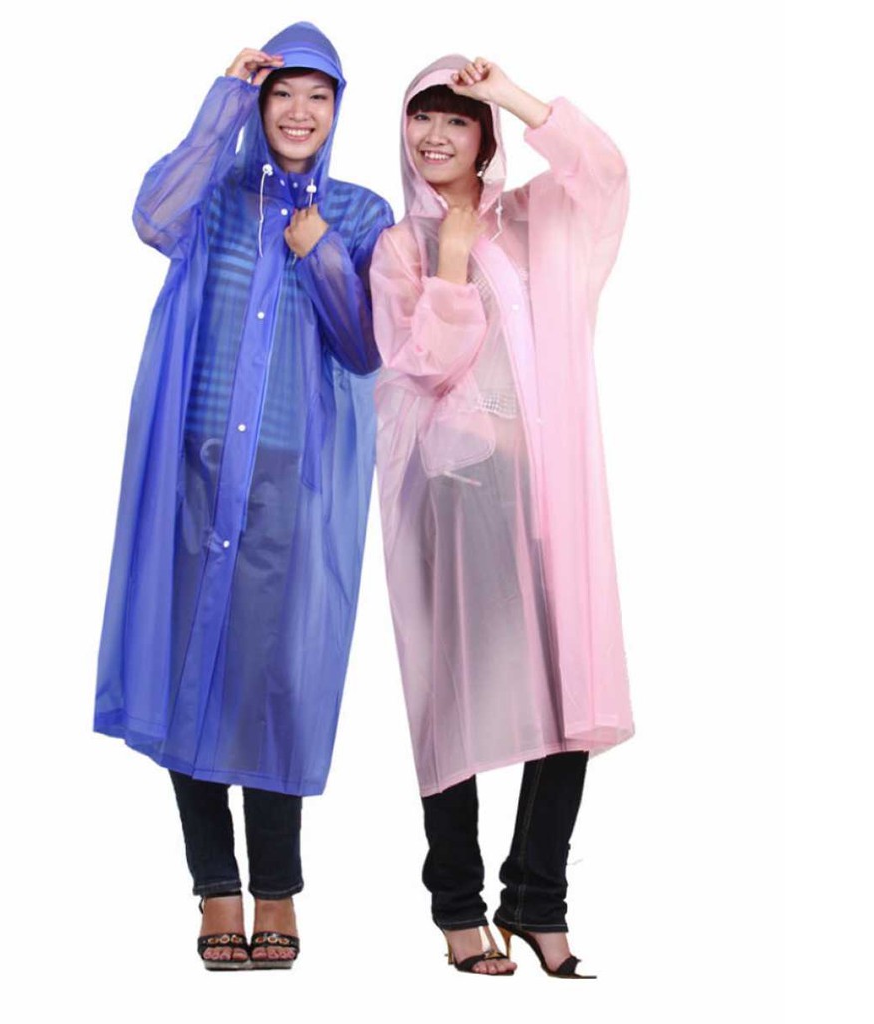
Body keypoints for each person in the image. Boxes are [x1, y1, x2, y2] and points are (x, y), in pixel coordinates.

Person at [94, 22, 393, 970]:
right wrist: (221, 97)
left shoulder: (359, 211)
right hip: (194, 465)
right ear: (259, 107)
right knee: (185, 670)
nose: (299, 113)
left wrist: (321, 252)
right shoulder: (215, 197)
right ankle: (214, 887)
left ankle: (277, 890)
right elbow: (151, 215)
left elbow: (364, 347)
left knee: (271, 683)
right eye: (281, 95)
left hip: (285, 476)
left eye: (318, 97)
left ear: (338, 110)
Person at [371, 56, 635, 976]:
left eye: (458, 119)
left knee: (571, 691)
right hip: (461, 498)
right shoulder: (401, 247)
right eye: (423, 117)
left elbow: (603, 170)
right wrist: (450, 258)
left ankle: (536, 898)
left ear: (486, 138)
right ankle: (456, 903)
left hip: (555, 494)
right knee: (454, 694)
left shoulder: (533, 219)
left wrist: (514, 95)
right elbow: (420, 367)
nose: (435, 136)